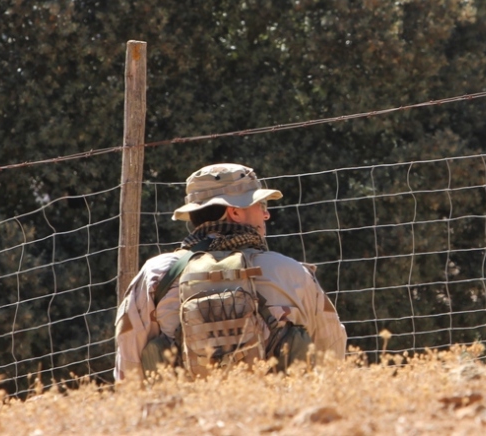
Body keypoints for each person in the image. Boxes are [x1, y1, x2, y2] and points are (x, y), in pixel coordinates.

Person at [114, 162, 346, 382]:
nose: (266, 215)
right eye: (260, 206)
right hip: (279, 418)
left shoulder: (157, 274)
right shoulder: (290, 271)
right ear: (235, 212)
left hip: (185, 419)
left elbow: (129, 360)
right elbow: (331, 352)